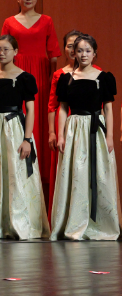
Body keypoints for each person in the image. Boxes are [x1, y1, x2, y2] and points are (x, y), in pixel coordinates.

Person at [0, 35, 50, 240]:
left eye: (6, 49)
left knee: (18, 173)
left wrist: (27, 139)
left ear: (15, 52)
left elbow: (30, 110)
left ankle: (21, 222)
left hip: (16, 128)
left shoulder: (25, 78)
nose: (1, 53)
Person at [51, 34, 118, 240]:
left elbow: (108, 108)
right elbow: (62, 108)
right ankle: (74, 221)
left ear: (94, 53)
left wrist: (109, 136)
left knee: (99, 175)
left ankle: (101, 223)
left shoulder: (103, 78)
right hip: (74, 129)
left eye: (88, 50)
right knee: (76, 174)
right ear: (74, 53)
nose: (83, 54)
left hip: (95, 129)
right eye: (79, 50)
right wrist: (61, 135)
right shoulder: (66, 78)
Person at [1, 0, 61, 205]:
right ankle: (20, 174)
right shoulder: (9, 22)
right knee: (21, 118)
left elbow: (53, 54)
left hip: (41, 75)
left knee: (40, 122)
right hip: (17, 73)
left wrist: (51, 78)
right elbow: (4, 50)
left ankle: (42, 181)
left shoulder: (47, 20)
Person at [47, 30, 87, 206]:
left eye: (76, 46)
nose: (73, 50)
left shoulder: (96, 72)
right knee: (65, 167)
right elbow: (52, 106)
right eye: (69, 46)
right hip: (64, 124)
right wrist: (52, 133)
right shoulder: (59, 75)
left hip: (86, 123)